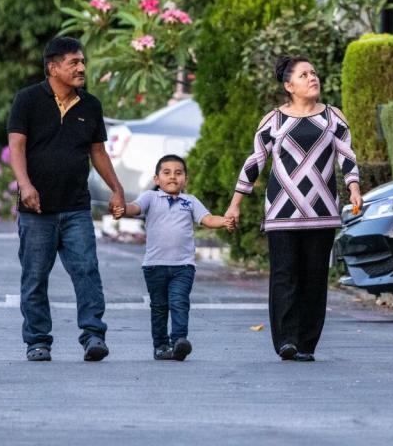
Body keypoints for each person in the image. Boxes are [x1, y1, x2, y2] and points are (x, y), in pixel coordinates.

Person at [225, 56, 361, 362]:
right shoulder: (273, 121)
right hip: (282, 213)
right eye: (304, 75)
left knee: (314, 278)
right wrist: (235, 204)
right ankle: (286, 341)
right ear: (289, 86)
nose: (313, 78)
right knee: (284, 276)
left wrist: (354, 187)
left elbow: (347, 156)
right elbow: (254, 163)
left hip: (322, 212)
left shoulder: (332, 117)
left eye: (314, 73)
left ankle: (307, 344)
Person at [7, 36, 126, 362]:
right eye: (74, 62)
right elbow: (16, 147)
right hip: (36, 209)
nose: (82, 68)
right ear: (53, 67)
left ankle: (93, 336)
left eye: (82, 62)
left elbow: (98, 152)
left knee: (87, 271)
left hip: (75, 207)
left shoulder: (90, 105)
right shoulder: (27, 100)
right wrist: (25, 186)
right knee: (34, 277)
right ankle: (37, 341)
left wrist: (116, 188)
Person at [120, 154, 234, 361]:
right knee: (159, 307)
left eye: (178, 173)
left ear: (186, 180)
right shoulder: (150, 197)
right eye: (167, 173)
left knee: (180, 302)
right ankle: (161, 346)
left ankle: (180, 340)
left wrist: (224, 221)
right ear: (156, 179)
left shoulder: (190, 202)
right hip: (154, 266)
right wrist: (122, 209)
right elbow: (135, 207)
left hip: (183, 266)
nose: (173, 177)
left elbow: (207, 219)